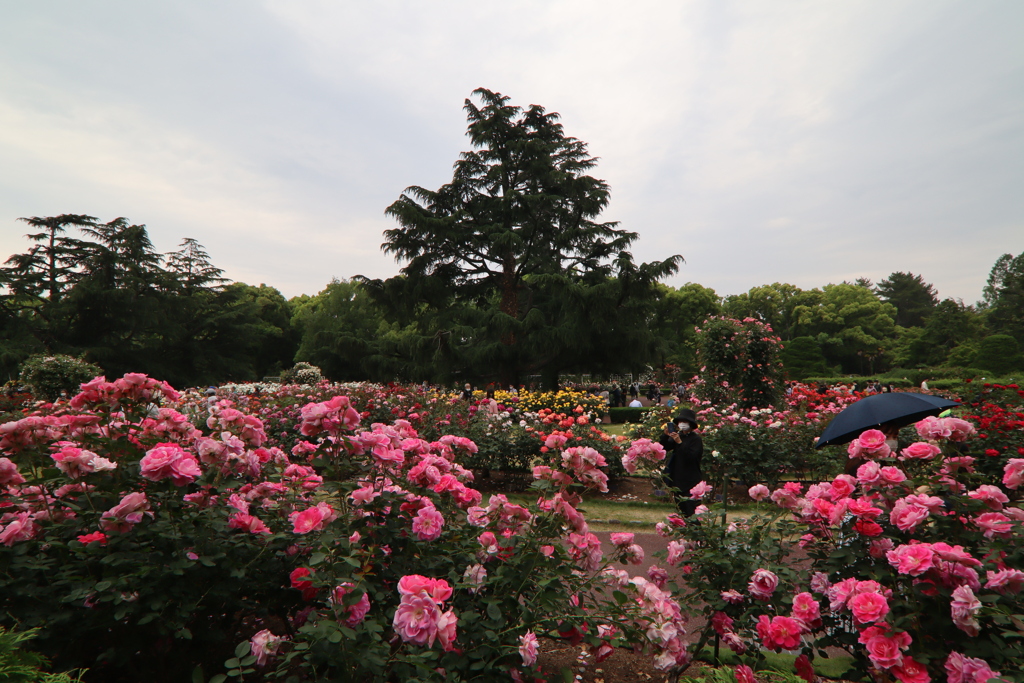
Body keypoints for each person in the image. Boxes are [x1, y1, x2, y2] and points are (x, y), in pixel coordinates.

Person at [659, 408, 704, 517]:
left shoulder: (695, 439)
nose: (682, 424)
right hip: (678, 479)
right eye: (680, 421)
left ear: (691, 424)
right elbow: (664, 448)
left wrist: (680, 442)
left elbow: (692, 457)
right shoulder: (679, 436)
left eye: (685, 421)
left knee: (692, 511)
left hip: (691, 481)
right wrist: (665, 436)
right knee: (681, 510)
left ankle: (696, 532)